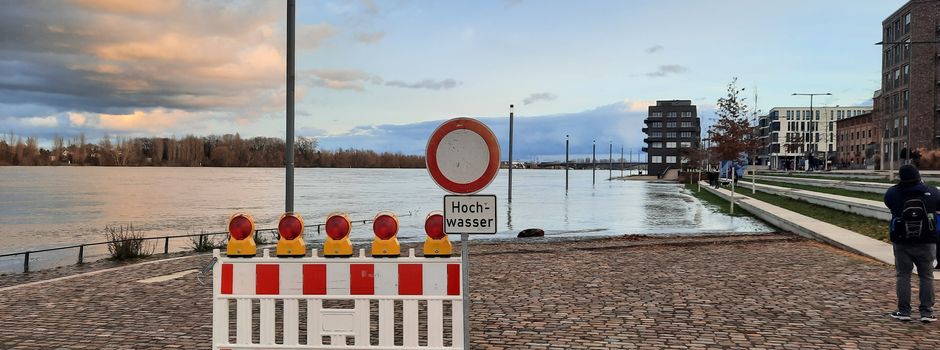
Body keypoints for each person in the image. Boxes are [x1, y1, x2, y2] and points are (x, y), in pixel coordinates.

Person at [884, 164, 938, 323]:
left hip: (902, 240)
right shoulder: (933, 192)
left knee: (903, 275)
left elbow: (889, 205)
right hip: (927, 240)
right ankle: (927, 313)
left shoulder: (893, 193)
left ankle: (904, 311)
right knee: (927, 276)